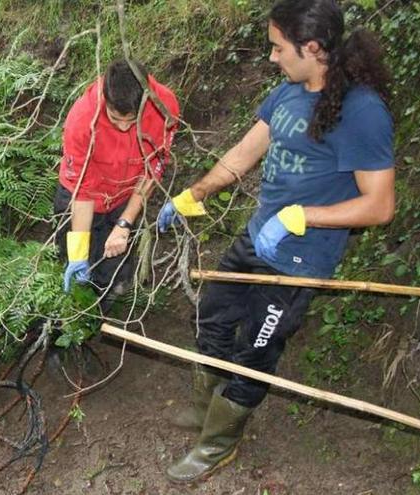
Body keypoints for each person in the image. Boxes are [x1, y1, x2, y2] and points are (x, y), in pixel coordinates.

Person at [157, 0, 394, 482]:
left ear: (312, 48)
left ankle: (219, 443)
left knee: (255, 351)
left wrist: (300, 217)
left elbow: (380, 206)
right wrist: (192, 194)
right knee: (211, 317)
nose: (271, 58)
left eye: (277, 47)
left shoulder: (362, 111)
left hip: (299, 261)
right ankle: (208, 409)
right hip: (256, 240)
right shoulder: (287, 93)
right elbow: (243, 154)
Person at [57, 59, 179, 305]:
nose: (124, 128)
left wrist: (124, 223)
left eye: (131, 120)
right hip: (81, 200)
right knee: (77, 266)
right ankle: (71, 317)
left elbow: (153, 169)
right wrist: (78, 254)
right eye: (115, 119)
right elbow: (83, 190)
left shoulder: (163, 107)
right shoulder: (82, 119)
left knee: (112, 271)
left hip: (126, 195)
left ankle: (102, 311)